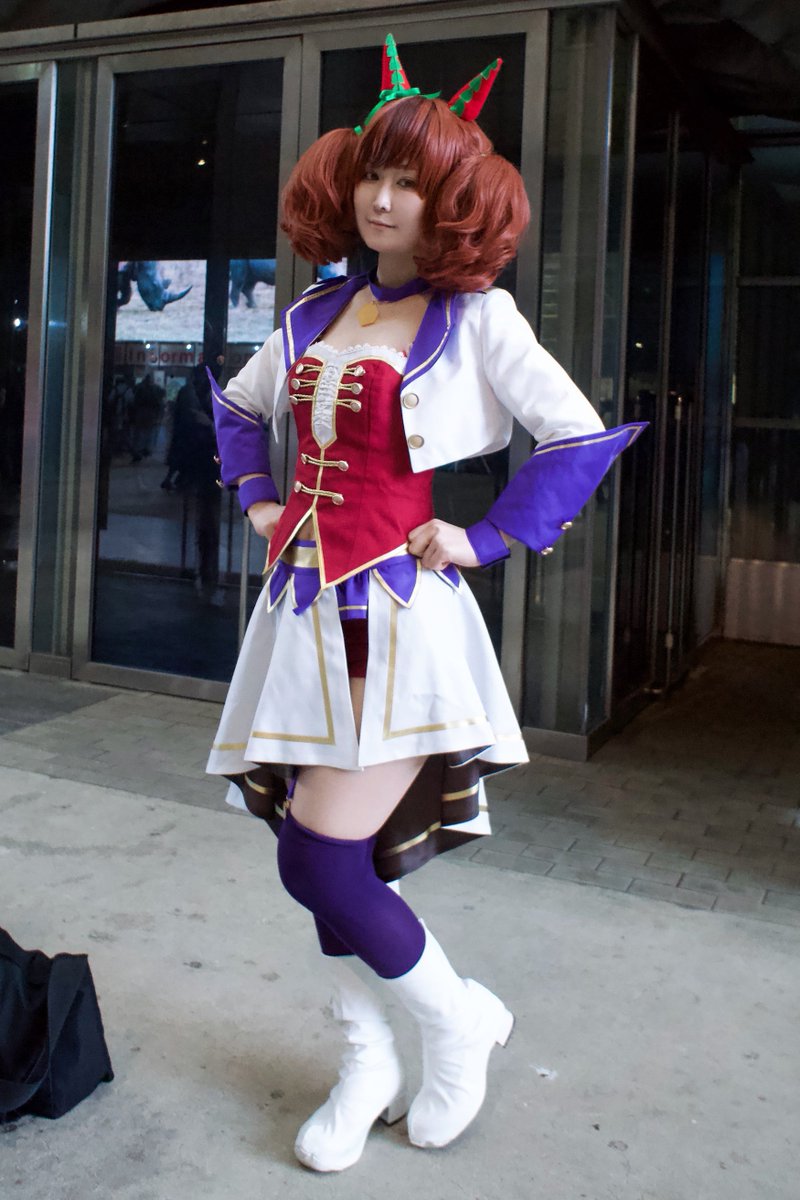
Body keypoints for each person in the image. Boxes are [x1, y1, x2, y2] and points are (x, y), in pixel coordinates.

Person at [206, 36, 646, 1173]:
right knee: (316, 851)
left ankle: (453, 1023)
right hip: (302, 615)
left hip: (400, 619)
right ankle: (367, 1059)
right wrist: (258, 498)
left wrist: (484, 535)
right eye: (374, 175)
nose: (385, 199)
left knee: (317, 861)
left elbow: (576, 434)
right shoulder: (313, 312)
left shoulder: (478, 317)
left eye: (410, 181)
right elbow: (238, 409)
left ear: (450, 199)